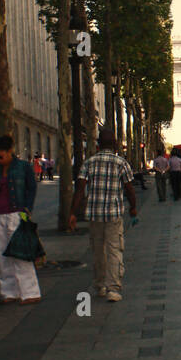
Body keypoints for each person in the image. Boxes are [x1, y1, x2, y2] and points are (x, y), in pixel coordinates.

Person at [68, 128, 137, 302]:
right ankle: (113, 288)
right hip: (113, 214)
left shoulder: (89, 163)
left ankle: (100, 285)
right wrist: (133, 208)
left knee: (98, 251)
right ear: (115, 145)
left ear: (98, 145)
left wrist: (72, 213)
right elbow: (129, 189)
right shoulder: (121, 163)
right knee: (114, 250)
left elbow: (80, 189)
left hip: (94, 214)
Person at [0, 135, 40, 304]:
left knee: (20, 252)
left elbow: (31, 188)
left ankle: (30, 292)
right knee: (2, 253)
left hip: (17, 211)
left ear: (10, 152)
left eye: (0, 156)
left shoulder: (23, 167)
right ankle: (9, 292)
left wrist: (27, 209)